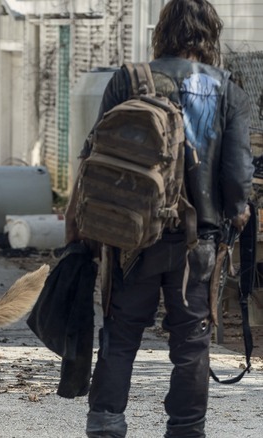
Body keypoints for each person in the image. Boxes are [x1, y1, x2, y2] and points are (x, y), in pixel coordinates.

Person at [65, 1, 253, 436]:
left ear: (162, 30)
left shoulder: (129, 79)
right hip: (198, 244)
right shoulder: (226, 89)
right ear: (210, 34)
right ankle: (186, 429)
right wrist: (237, 213)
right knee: (191, 342)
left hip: (131, 235)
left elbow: (93, 157)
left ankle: (106, 423)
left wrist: (83, 224)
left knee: (122, 331)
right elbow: (237, 175)